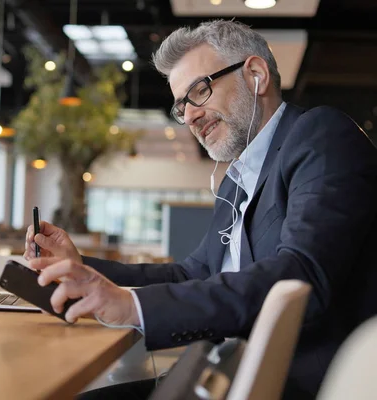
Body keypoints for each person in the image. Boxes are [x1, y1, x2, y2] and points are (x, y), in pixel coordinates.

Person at [24, 20, 377, 399]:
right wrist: (84, 269)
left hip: (287, 383)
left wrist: (133, 305)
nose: (189, 116)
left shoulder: (320, 135)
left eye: (199, 91)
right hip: (225, 372)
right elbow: (191, 273)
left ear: (255, 74)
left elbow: (300, 273)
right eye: (181, 105)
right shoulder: (237, 180)